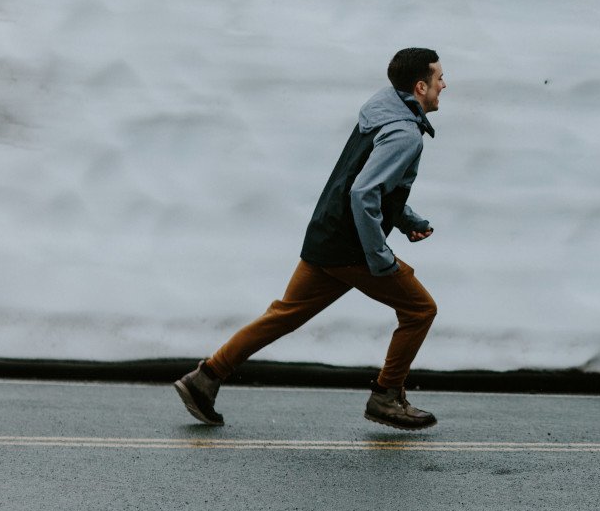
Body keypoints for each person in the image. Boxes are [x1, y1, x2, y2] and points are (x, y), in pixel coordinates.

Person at [175, 48, 446, 431]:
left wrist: (406, 220)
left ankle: (204, 378)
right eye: (438, 79)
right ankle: (387, 396)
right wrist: (380, 258)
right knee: (421, 310)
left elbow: (367, 186)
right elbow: (364, 193)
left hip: (326, 235)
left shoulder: (381, 112)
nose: (443, 85)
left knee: (283, 314)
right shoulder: (404, 133)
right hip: (352, 249)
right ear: (420, 87)